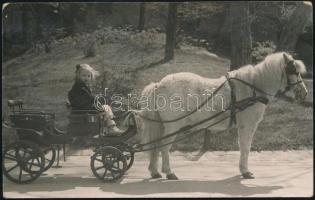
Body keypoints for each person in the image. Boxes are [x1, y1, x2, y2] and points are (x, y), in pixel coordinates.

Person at [68, 63, 124, 136]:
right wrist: (97, 107)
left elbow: (88, 99)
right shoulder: (79, 89)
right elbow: (84, 103)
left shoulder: (83, 87)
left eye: (88, 76)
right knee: (106, 108)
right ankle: (111, 128)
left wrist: (96, 101)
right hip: (85, 111)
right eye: (84, 75)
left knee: (106, 108)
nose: (86, 78)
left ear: (91, 77)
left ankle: (110, 127)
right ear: (79, 76)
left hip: (86, 109)